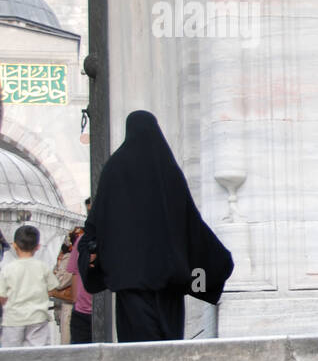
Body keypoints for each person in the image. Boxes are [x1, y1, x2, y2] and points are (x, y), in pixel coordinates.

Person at [77, 110, 234, 342]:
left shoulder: (115, 169)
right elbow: (190, 224)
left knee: (137, 349)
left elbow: (98, 222)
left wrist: (91, 256)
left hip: (129, 283)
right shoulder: (168, 171)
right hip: (169, 284)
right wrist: (213, 267)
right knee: (167, 347)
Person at [0, 224, 57, 348]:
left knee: (11, 358)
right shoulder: (43, 267)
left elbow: (2, 296)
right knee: (37, 357)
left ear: (14, 245)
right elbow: (52, 290)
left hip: (13, 319)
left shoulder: (8, 269)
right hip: (38, 318)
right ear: (37, 247)